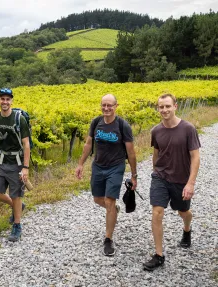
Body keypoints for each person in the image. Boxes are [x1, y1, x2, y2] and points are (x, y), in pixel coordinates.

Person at [143, 93, 201, 271]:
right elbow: (156, 153)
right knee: (157, 212)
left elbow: (195, 157)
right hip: (160, 177)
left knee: (183, 212)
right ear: (158, 108)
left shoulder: (188, 129)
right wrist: (155, 171)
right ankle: (159, 255)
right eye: (161, 107)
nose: (164, 110)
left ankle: (187, 229)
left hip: (181, 181)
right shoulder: (156, 131)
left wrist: (190, 183)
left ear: (175, 106)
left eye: (168, 106)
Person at [75, 94, 137, 256]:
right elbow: (88, 144)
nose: (106, 108)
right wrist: (80, 164)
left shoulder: (123, 125)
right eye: (104, 105)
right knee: (97, 199)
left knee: (109, 201)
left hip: (116, 167)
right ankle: (113, 210)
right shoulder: (96, 122)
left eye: (110, 105)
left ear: (116, 106)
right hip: (98, 166)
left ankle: (108, 239)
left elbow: (131, 152)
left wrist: (134, 175)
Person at [0, 88, 30, 242]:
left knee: (16, 195)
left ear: (11, 101)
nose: (5, 102)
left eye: (8, 99)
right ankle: (18, 207)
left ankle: (17, 226)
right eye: (2, 99)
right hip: (2, 162)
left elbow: (26, 144)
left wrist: (25, 168)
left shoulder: (18, 119)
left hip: (17, 162)